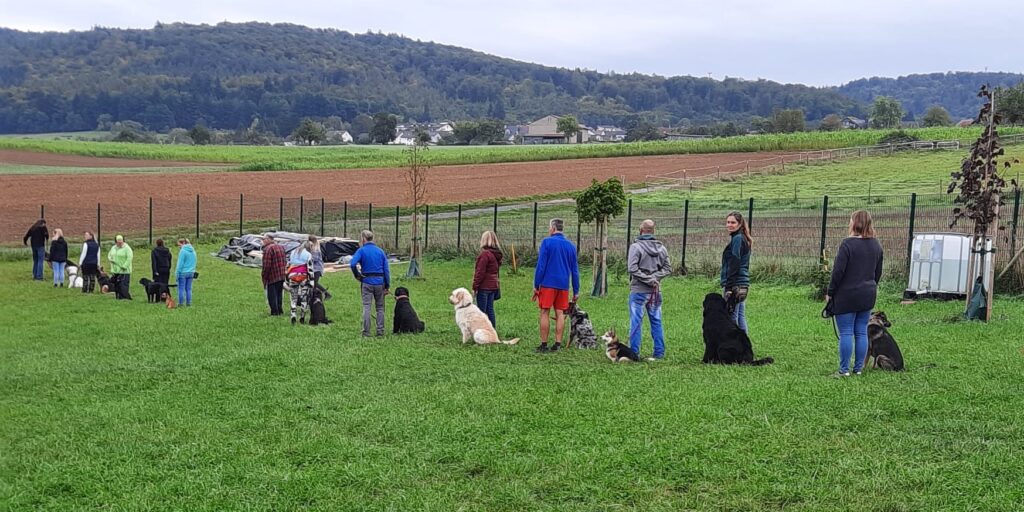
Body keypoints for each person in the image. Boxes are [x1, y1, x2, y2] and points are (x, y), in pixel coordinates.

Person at [826, 210, 884, 377]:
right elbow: (877, 272)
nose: (849, 223)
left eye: (850, 221)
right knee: (860, 332)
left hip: (847, 295)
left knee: (846, 332)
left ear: (855, 223)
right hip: (867, 294)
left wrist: (830, 292)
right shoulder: (876, 245)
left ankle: (843, 370)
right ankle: (858, 369)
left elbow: (838, 272)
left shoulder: (847, 244)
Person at [627, 219, 672, 361]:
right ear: (653, 231)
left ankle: (634, 353)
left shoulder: (636, 247)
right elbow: (668, 268)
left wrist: (647, 279)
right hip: (655, 292)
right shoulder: (662, 248)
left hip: (639, 291)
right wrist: (655, 278)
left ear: (641, 230)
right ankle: (659, 353)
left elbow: (632, 268)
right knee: (656, 321)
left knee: (636, 323)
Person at [533, 218, 580, 353]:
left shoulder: (547, 242)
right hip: (563, 285)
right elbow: (575, 271)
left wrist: (537, 284)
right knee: (560, 313)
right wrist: (576, 290)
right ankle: (558, 344)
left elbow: (541, 266)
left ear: (553, 228)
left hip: (548, 284)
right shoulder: (571, 246)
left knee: (545, 312)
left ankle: (544, 344)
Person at [350, 230, 390, 337]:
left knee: (367, 306)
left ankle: (366, 332)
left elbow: (353, 263)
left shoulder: (361, 251)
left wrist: (357, 275)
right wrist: (387, 285)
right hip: (379, 282)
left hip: (367, 281)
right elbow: (386, 270)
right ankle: (380, 331)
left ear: (363, 239)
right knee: (380, 308)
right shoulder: (380, 251)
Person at [721, 211, 752, 332]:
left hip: (735, 283)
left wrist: (729, 286)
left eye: (733, 222)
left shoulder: (738, 239)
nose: (729, 225)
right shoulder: (742, 238)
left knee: (731, 317)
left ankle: (735, 346)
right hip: (743, 282)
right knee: (740, 315)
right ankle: (744, 345)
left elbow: (735, 262)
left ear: (739, 224)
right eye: (728, 222)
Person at [473, 231, 503, 328]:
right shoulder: (496, 254)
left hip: (484, 286)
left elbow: (480, 272)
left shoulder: (485, 254)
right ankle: (492, 328)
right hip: (493, 286)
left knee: (481, 310)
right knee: (490, 309)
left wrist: (475, 286)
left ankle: (481, 329)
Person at [287, 240, 313, 324]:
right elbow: (310, 267)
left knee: (293, 297)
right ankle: (302, 316)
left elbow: (289, 263)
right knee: (304, 297)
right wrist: (312, 280)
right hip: (303, 276)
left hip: (293, 276)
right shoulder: (308, 254)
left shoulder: (293, 252)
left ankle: (293, 314)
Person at [261, 234, 287, 316]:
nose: (262, 241)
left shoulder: (268, 249)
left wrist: (264, 277)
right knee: (279, 294)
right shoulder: (281, 247)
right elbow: (285, 261)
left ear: (269, 239)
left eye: (264, 239)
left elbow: (267, 265)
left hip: (272, 276)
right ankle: (280, 310)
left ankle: (274, 312)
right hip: (281, 275)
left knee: (272, 295)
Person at [107, 235, 133, 300]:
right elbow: (109, 255)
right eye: (118, 242)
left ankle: (124, 298)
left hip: (124, 270)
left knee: (123, 284)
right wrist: (110, 259)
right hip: (115, 270)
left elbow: (129, 258)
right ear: (116, 242)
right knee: (116, 284)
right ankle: (118, 297)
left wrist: (124, 266)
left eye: (121, 242)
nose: (120, 243)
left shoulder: (127, 248)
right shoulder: (113, 248)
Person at [308, 235, 331, 300]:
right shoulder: (313, 248)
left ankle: (315, 297)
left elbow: (315, 259)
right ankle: (326, 293)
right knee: (314, 283)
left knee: (314, 284)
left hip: (317, 269)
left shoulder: (315, 250)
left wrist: (307, 257)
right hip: (314, 269)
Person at [175, 238, 196, 307]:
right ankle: (188, 303)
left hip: (183, 273)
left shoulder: (183, 251)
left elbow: (180, 264)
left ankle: (181, 303)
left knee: (181, 288)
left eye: (179, 245)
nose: (179, 247)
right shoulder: (193, 251)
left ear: (183, 243)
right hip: (191, 272)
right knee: (189, 289)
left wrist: (177, 273)